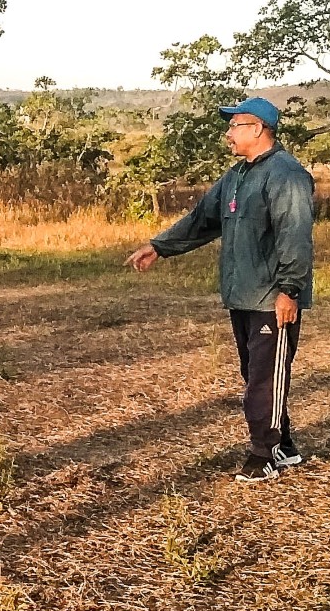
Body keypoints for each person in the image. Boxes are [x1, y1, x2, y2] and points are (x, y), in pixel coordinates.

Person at [125, 97, 315, 483]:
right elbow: (201, 220)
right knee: (258, 374)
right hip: (242, 294)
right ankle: (285, 444)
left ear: (258, 129)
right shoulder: (236, 176)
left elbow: (295, 237)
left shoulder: (286, 175)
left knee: (265, 378)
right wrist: (159, 246)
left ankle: (264, 454)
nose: (227, 134)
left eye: (235, 126)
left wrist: (289, 289)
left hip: (271, 297)